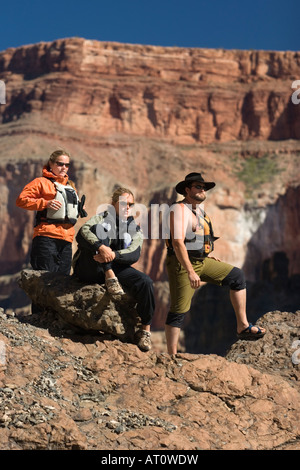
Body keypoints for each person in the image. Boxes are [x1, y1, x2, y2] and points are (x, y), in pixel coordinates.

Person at [165, 172, 266, 356]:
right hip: (182, 264)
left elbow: (199, 239)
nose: (202, 190)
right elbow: (178, 243)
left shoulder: (199, 211)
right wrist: (190, 271)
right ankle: (171, 356)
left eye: (204, 188)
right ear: (187, 190)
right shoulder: (178, 210)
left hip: (202, 262)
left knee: (237, 276)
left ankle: (242, 326)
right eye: (198, 186)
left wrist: (207, 257)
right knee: (179, 309)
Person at [73, 187, 154, 351]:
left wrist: (112, 255)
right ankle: (109, 274)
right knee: (99, 229)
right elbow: (82, 233)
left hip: (113, 264)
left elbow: (134, 253)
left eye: (131, 204)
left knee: (146, 282)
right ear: (113, 204)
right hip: (90, 267)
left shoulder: (134, 228)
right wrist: (101, 247)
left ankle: (145, 331)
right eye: (123, 203)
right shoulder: (101, 218)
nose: (128, 207)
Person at [16, 150, 83, 280]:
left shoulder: (71, 187)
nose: (64, 167)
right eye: (60, 164)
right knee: (45, 283)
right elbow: (21, 200)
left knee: (63, 283)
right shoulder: (40, 182)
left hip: (66, 240)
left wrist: (79, 208)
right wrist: (45, 203)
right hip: (46, 238)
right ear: (51, 164)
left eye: (67, 165)